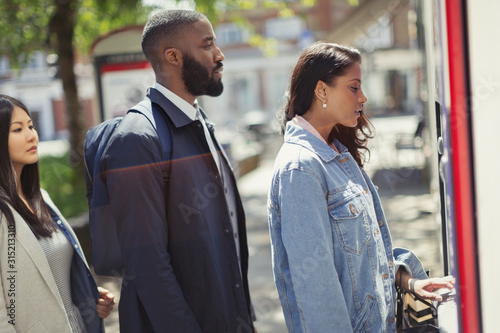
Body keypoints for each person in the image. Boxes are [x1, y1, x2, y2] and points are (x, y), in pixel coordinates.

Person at [267, 42, 454, 332]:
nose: (363, 97)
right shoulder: (301, 169)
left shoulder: (337, 154)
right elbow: (317, 291)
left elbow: (361, 257)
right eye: (354, 87)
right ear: (322, 90)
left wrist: (409, 281)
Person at [99, 9, 255, 332]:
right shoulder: (137, 138)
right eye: (208, 44)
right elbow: (148, 265)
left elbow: (227, 239)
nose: (220, 54)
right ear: (173, 57)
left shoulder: (200, 123)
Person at [0, 95, 115, 332]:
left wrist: (88, 296)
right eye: (18, 129)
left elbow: (57, 279)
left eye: (31, 126)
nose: (32, 135)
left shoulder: (42, 198)